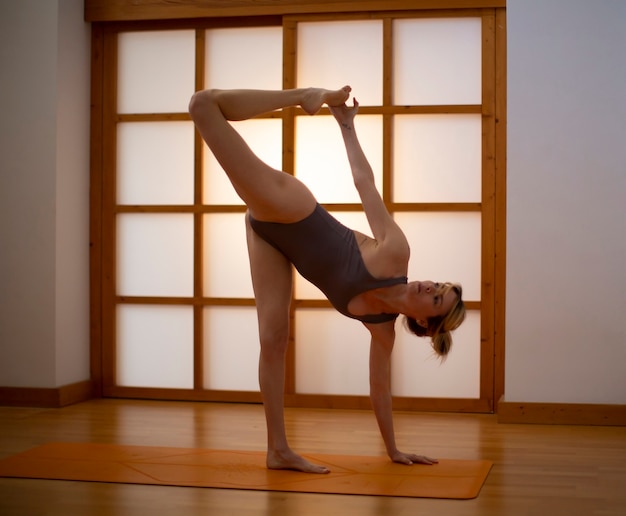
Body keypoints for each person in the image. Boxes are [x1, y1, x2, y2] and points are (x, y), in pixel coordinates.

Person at [188, 86, 465, 474]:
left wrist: (394, 450)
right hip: (291, 206)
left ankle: (278, 450)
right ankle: (303, 95)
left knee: (273, 337)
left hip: (268, 238)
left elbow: (380, 392)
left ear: (422, 322)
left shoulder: (382, 331)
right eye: (440, 286)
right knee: (203, 105)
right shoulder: (395, 253)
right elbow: (364, 182)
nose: (431, 287)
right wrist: (346, 127)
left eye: (437, 299)